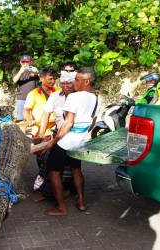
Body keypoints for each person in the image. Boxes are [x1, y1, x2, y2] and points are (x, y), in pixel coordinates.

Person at [43, 67, 99, 216]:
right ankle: (81, 202)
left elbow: (67, 124)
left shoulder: (74, 97)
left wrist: (53, 142)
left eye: (77, 79)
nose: (74, 82)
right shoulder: (96, 98)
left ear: (86, 81)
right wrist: (81, 135)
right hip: (80, 142)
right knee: (76, 169)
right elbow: (93, 122)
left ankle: (61, 208)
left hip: (65, 142)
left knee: (54, 172)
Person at [33, 70, 78, 203]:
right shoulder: (55, 96)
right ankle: (48, 194)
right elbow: (46, 114)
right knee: (49, 166)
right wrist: (41, 134)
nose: (66, 85)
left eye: (69, 82)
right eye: (63, 83)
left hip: (74, 137)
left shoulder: (79, 97)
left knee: (73, 168)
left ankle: (74, 195)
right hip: (59, 135)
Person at [23, 68, 59, 137]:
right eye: (50, 79)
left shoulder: (58, 92)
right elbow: (26, 109)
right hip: (39, 130)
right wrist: (29, 121)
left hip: (55, 129)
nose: (53, 81)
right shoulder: (33, 93)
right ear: (41, 79)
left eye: (54, 79)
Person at [12, 55, 39, 121]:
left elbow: (42, 78)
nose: (25, 63)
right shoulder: (17, 71)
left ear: (30, 62)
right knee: (21, 119)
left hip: (33, 98)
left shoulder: (33, 70)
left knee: (35, 119)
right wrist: (21, 72)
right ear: (20, 62)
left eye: (27, 62)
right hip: (22, 97)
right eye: (23, 62)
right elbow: (14, 80)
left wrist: (37, 71)